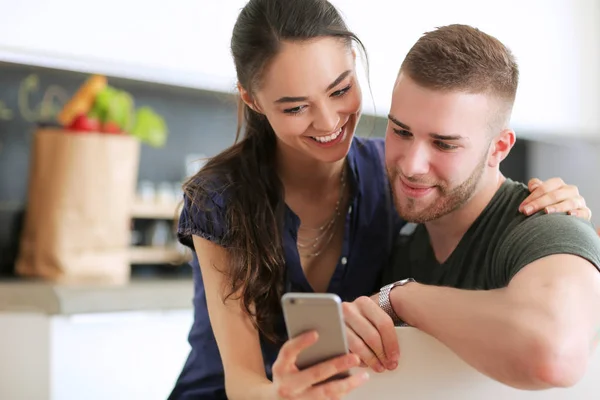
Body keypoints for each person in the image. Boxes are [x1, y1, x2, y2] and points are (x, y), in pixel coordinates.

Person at [168, 1, 593, 398]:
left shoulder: (387, 173)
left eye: (339, 91)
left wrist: (558, 212)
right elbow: (241, 382)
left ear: (354, 64)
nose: (330, 121)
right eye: (296, 107)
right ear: (252, 99)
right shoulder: (221, 197)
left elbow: (470, 181)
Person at [343, 24, 600, 392]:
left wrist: (403, 297)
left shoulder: (548, 227)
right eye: (401, 131)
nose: (412, 164)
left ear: (499, 148)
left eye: (444, 145)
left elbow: (553, 355)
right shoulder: (397, 250)